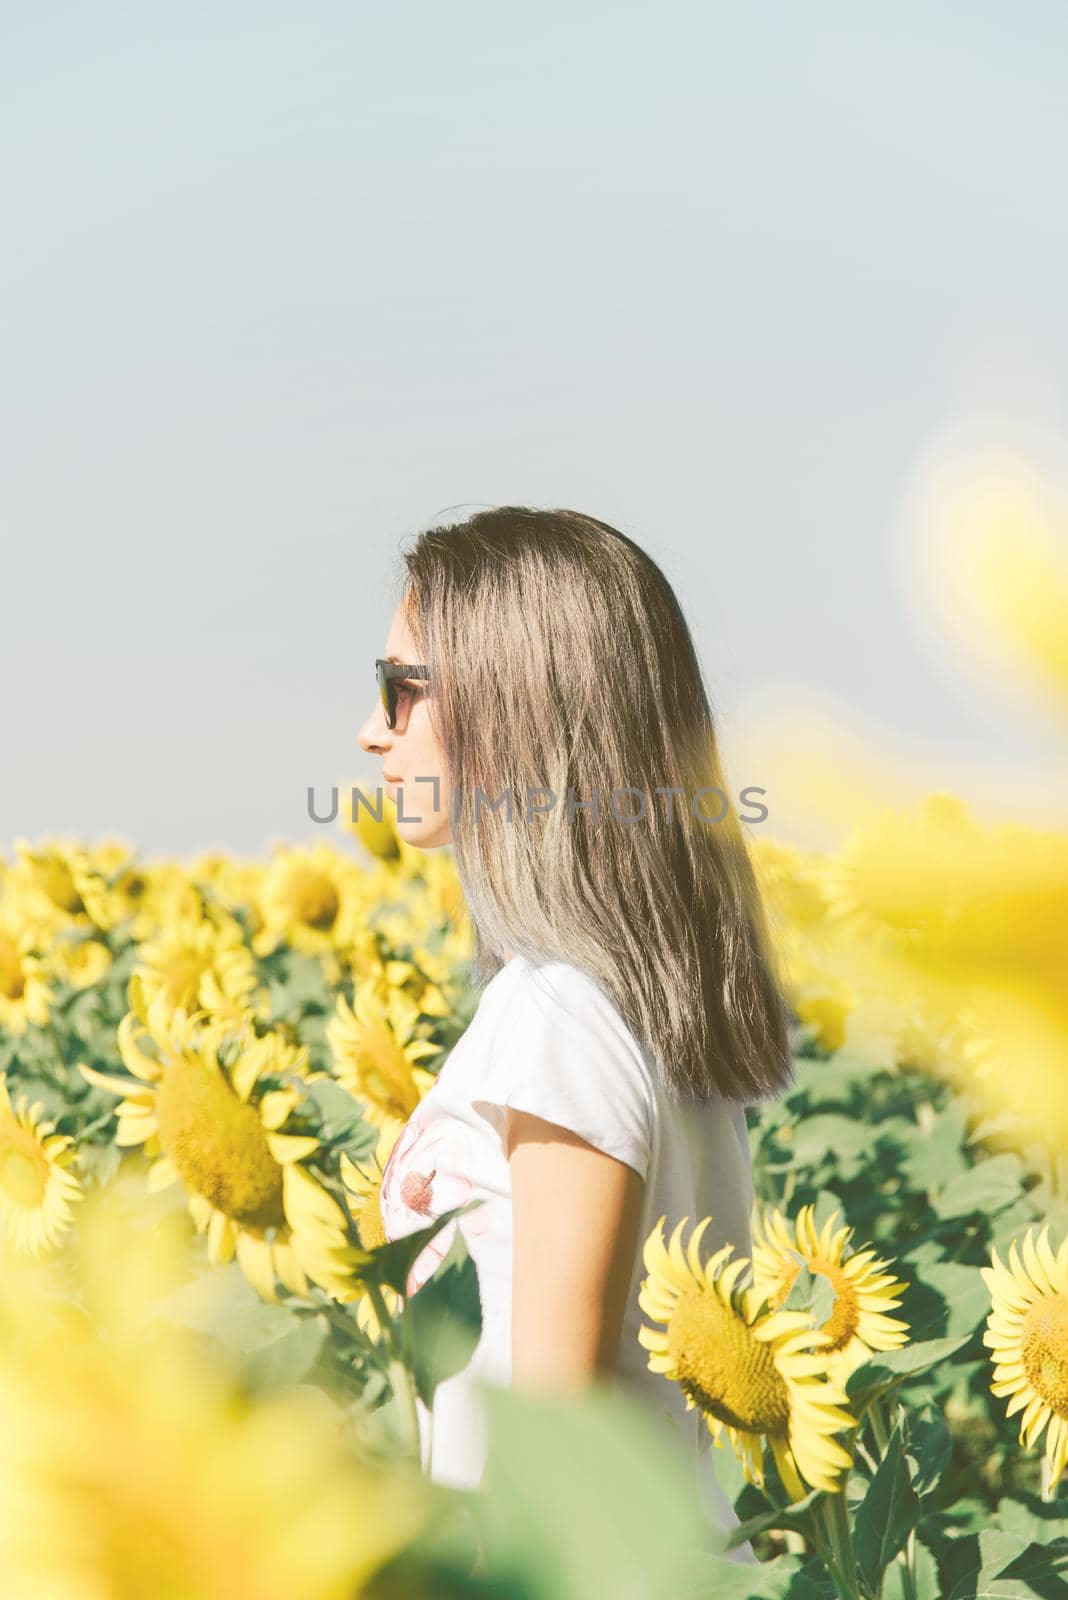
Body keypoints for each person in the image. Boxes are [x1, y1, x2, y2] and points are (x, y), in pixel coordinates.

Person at [356, 506, 795, 1563]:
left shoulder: (566, 1013)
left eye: (402, 688)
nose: (374, 730)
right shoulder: (623, 997)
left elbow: (556, 1451)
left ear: (517, 707)